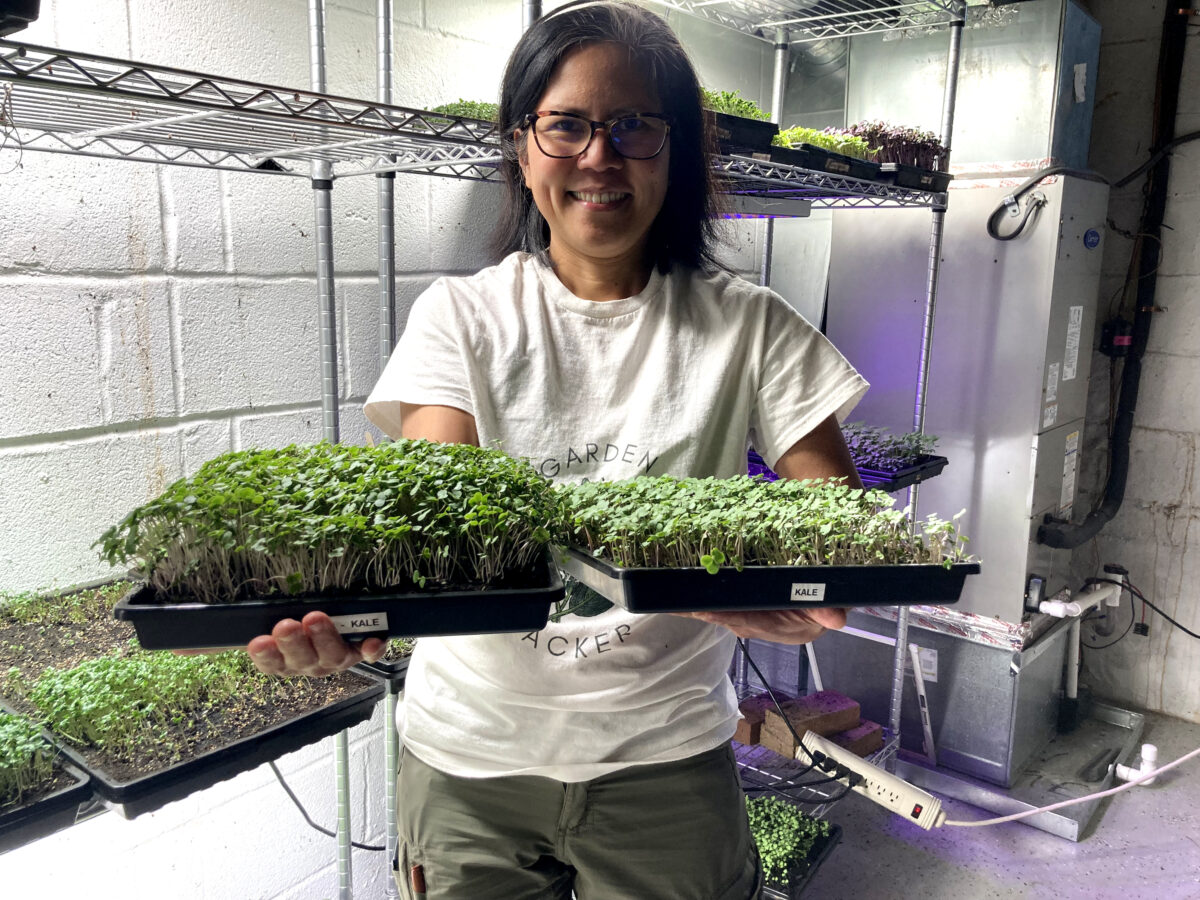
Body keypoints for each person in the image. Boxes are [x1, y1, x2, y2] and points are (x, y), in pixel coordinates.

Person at [247, 2, 868, 897]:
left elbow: (842, 540)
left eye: (634, 127)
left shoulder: (751, 324)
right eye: (567, 125)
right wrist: (358, 629)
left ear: (676, 147)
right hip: (472, 760)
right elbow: (437, 536)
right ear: (521, 145)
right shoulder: (461, 317)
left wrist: (763, 594)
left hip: (667, 760)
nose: (599, 157)